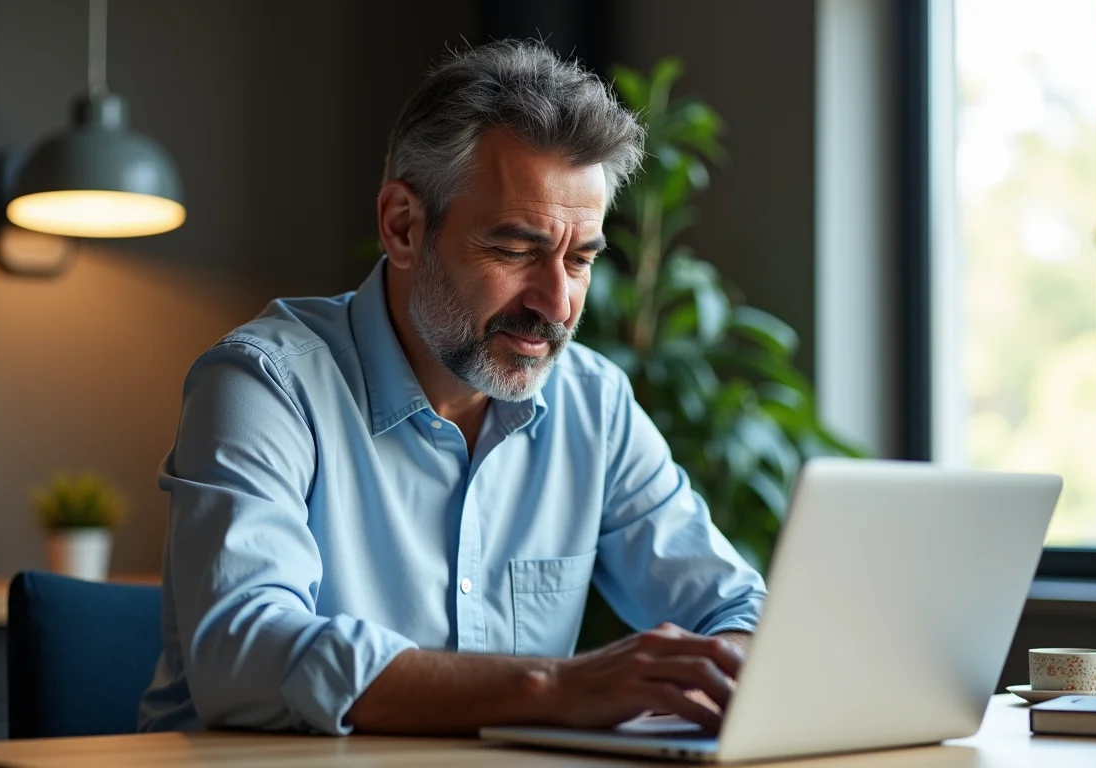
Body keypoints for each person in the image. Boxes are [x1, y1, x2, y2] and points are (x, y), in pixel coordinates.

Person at [138, 39, 766, 737]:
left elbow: (740, 610)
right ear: (403, 226)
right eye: (516, 250)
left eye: (580, 259)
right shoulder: (266, 385)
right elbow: (245, 654)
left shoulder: (595, 404)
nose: (557, 304)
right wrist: (551, 686)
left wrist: (731, 670)